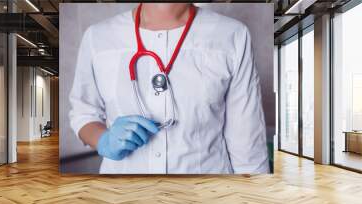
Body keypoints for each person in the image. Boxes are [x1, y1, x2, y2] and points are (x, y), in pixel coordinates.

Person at [69, 3, 269, 174]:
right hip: (122, 197)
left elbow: (247, 144)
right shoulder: (98, 37)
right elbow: (83, 114)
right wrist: (104, 140)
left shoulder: (231, 35)